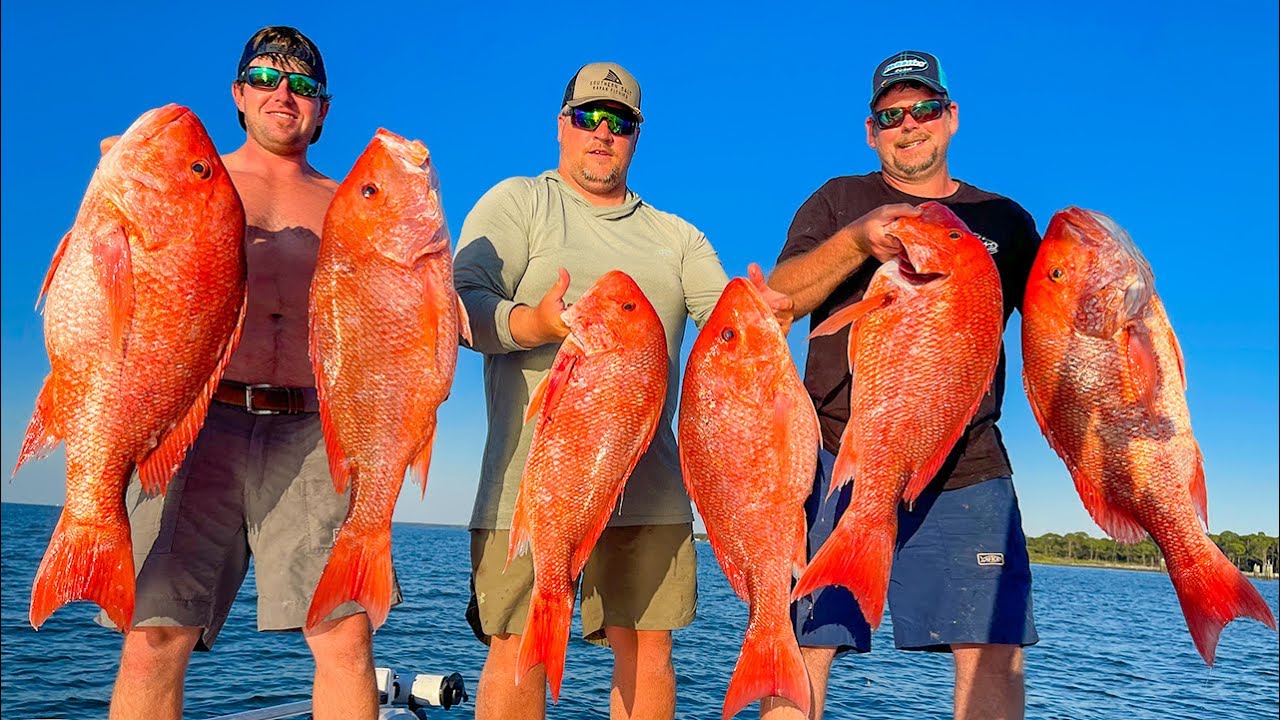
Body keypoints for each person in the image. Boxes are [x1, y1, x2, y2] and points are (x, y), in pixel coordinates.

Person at [453, 62, 792, 720]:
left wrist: (778, 302)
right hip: (533, 482)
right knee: (517, 643)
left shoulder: (678, 236)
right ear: (562, 124)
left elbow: (731, 323)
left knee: (646, 648)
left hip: (653, 483)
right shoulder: (518, 203)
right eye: (589, 117)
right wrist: (537, 324)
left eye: (621, 122)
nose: (603, 133)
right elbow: (460, 312)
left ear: (637, 135)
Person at [97, 26, 398, 720]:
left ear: (324, 109)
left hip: (316, 427)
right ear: (239, 95)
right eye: (266, 78)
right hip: (196, 425)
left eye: (304, 84)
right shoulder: (185, 178)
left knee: (345, 636)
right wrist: (118, 186)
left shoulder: (354, 202)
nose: (284, 94)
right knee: (156, 636)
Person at [761, 51, 1042, 720]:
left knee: (995, 653)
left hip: (968, 463)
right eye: (891, 115)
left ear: (951, 118)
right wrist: (858, 242)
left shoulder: (1004, 219)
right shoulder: (838, 201)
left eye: (923, 109)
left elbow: (1059, 330)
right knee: (800, 642)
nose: (908, 125)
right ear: (871, 131)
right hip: (836, 453)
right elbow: (777, 299)